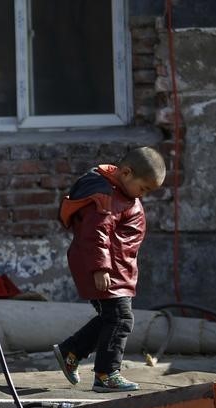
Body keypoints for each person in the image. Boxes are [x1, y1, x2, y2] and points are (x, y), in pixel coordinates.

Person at [53, 146, 166, 392]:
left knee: (111, 318)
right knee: (121, 319)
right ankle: (106, 374)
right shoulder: (106, 198)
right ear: (126, 173)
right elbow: (96, 235)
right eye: (143, 188)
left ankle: (71, 352)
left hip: (116, 268)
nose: (143, 195)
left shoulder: (120, 193)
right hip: (106, 270)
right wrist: (100, 268)